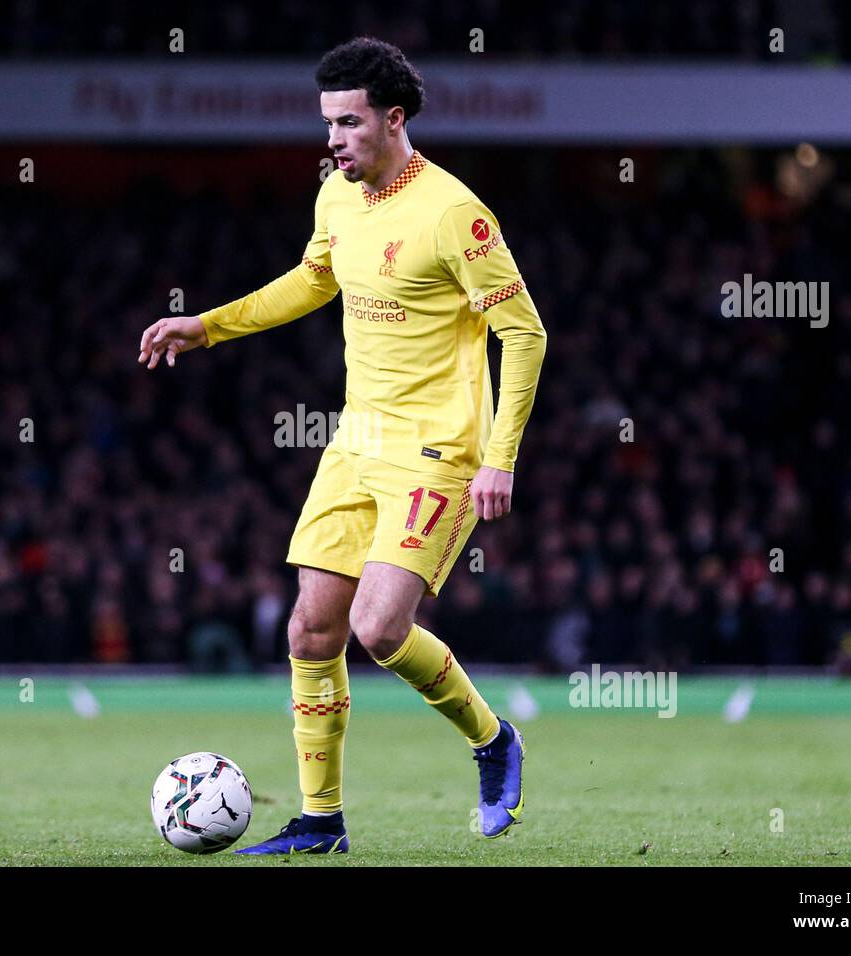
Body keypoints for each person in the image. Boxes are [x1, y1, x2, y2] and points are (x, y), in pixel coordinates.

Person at [137, 37, 547, 854]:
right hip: (354, 444)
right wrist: (208, 326)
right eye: (326, 122)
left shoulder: (453, 214)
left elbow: (523, 333)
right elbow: (312, 281)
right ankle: (322, 821)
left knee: (379, 628)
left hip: (438, 452)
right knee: (309, 634)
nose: (332, 139)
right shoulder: (337, 195)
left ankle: (493, 738)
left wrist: (501, 456)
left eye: (349, 123)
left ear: (394, 120)